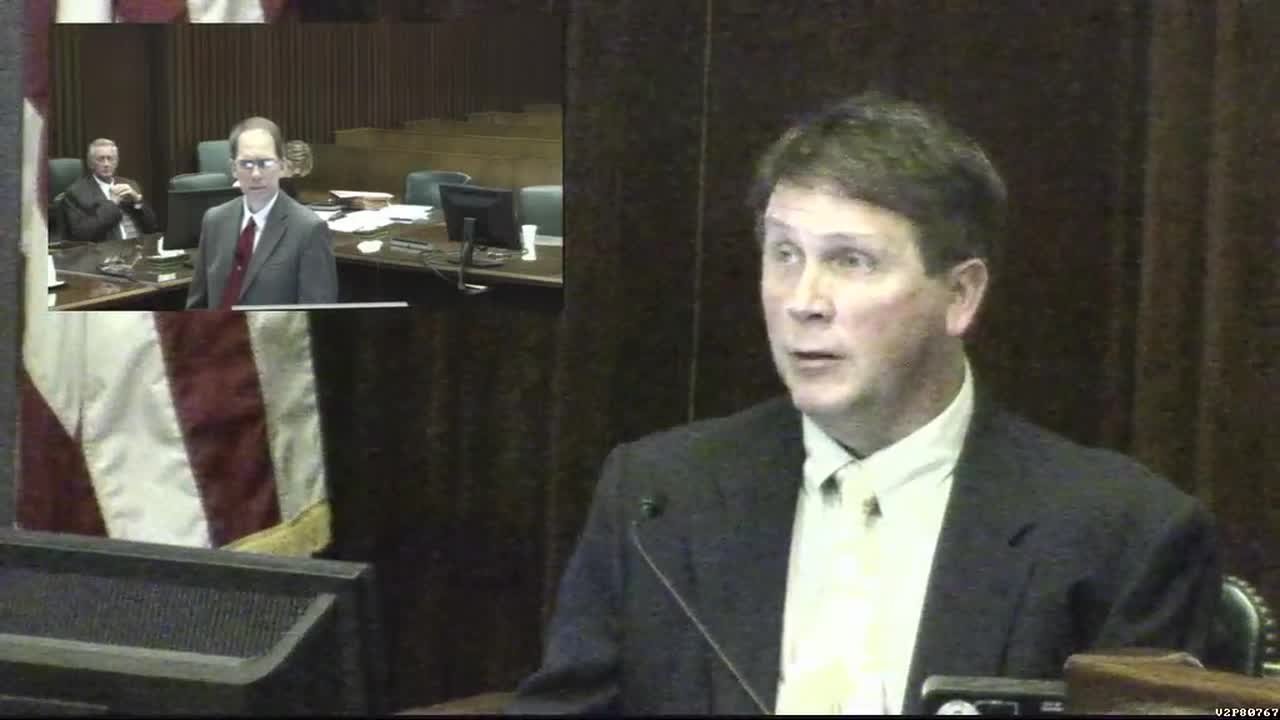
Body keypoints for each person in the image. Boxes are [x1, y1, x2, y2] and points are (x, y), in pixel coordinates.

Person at [508, 93, 1222, 715]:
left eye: (851, 261)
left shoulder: (1121, 534)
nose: (803, 301)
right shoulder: (658, 497)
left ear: (960, 295)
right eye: (784, 254)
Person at [186, 117, 337, 309]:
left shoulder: (309, 229)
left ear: (282, 166)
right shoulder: (214, 220)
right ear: (233, 169)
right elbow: (197, 307)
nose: (256, 174)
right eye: (246, 164)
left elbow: (317, 317)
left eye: (265, 163)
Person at [61, 139, 159, 244]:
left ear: (116, 162)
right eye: (101, 159)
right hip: (108, 250)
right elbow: (82, 234)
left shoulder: (130, 184)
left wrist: (137, 201)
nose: (106, 164)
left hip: (139, 246)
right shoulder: (77, 193)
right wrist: (112, 204)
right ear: (90, 163)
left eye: (110, 159)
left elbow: (152, 226)